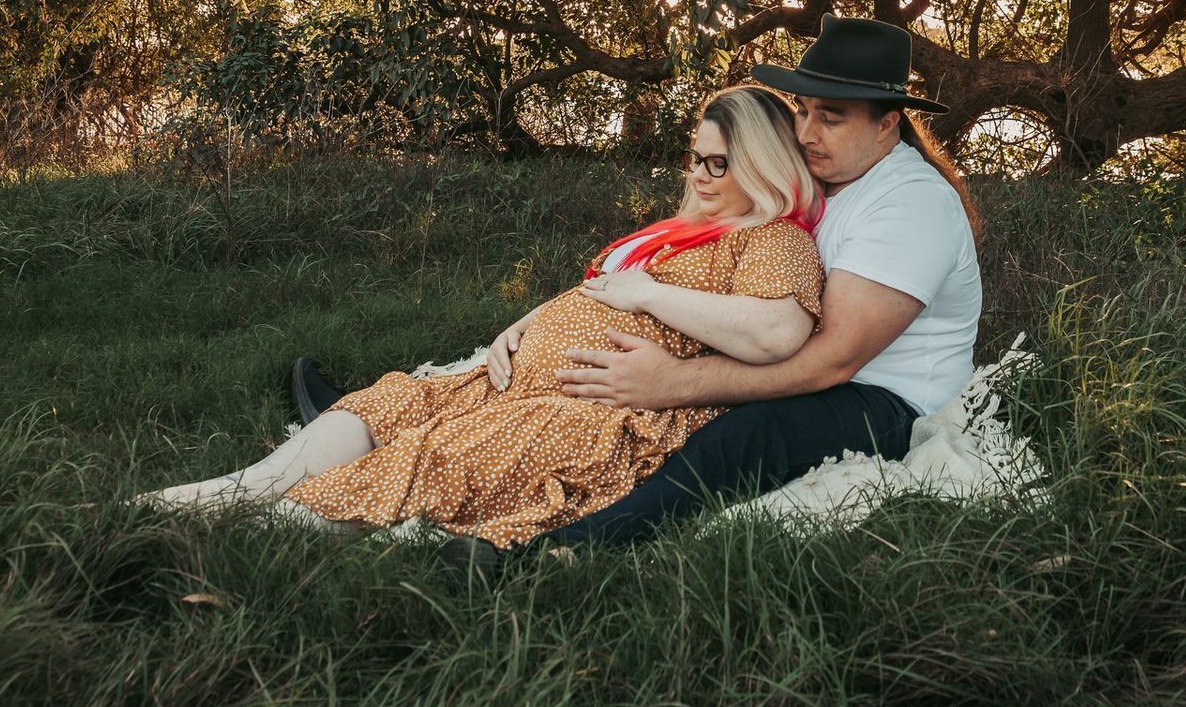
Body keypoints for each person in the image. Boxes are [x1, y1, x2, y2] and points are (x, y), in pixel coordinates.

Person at [141, 86, 827, 548]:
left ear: (762, 165)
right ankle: (229, 492)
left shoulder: (773, 239)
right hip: (521, 381)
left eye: (719, 162)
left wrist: (646, 294)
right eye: (695, 158)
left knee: (431, 458)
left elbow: (776, 333)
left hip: (596, 412)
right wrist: (523, 326)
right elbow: (598, 291)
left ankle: (226, 531)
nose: (700, 175)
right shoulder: (687, 231)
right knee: (392, 404)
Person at [520, 13, 983, 549]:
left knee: (748, 435)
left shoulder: (910, 202)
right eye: (803, 111)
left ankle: (577, 547)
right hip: (793, 360)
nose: (806, 134)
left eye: (830, 119)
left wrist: (675, 381)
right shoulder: (826, 176)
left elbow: (835, 359)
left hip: (884, 398)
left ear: (888, 124)